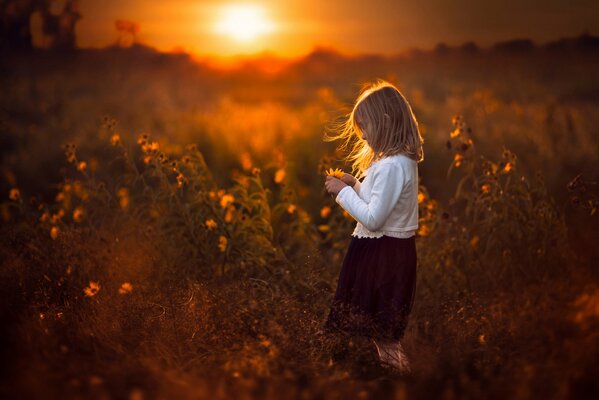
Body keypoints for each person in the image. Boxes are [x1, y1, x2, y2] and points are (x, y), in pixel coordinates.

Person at [322, 79, 424, 373]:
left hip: (382, 257)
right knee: (381, 335)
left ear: (386, 123)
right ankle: (386, 378)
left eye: (365, 127)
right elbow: (380, 202)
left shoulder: (393, 166)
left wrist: (342, 194)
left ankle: (399, 381)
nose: (363, 135)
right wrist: (355, 184)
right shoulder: (394, 162)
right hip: (383, 253)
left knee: (384, 335)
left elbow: (374, 218)